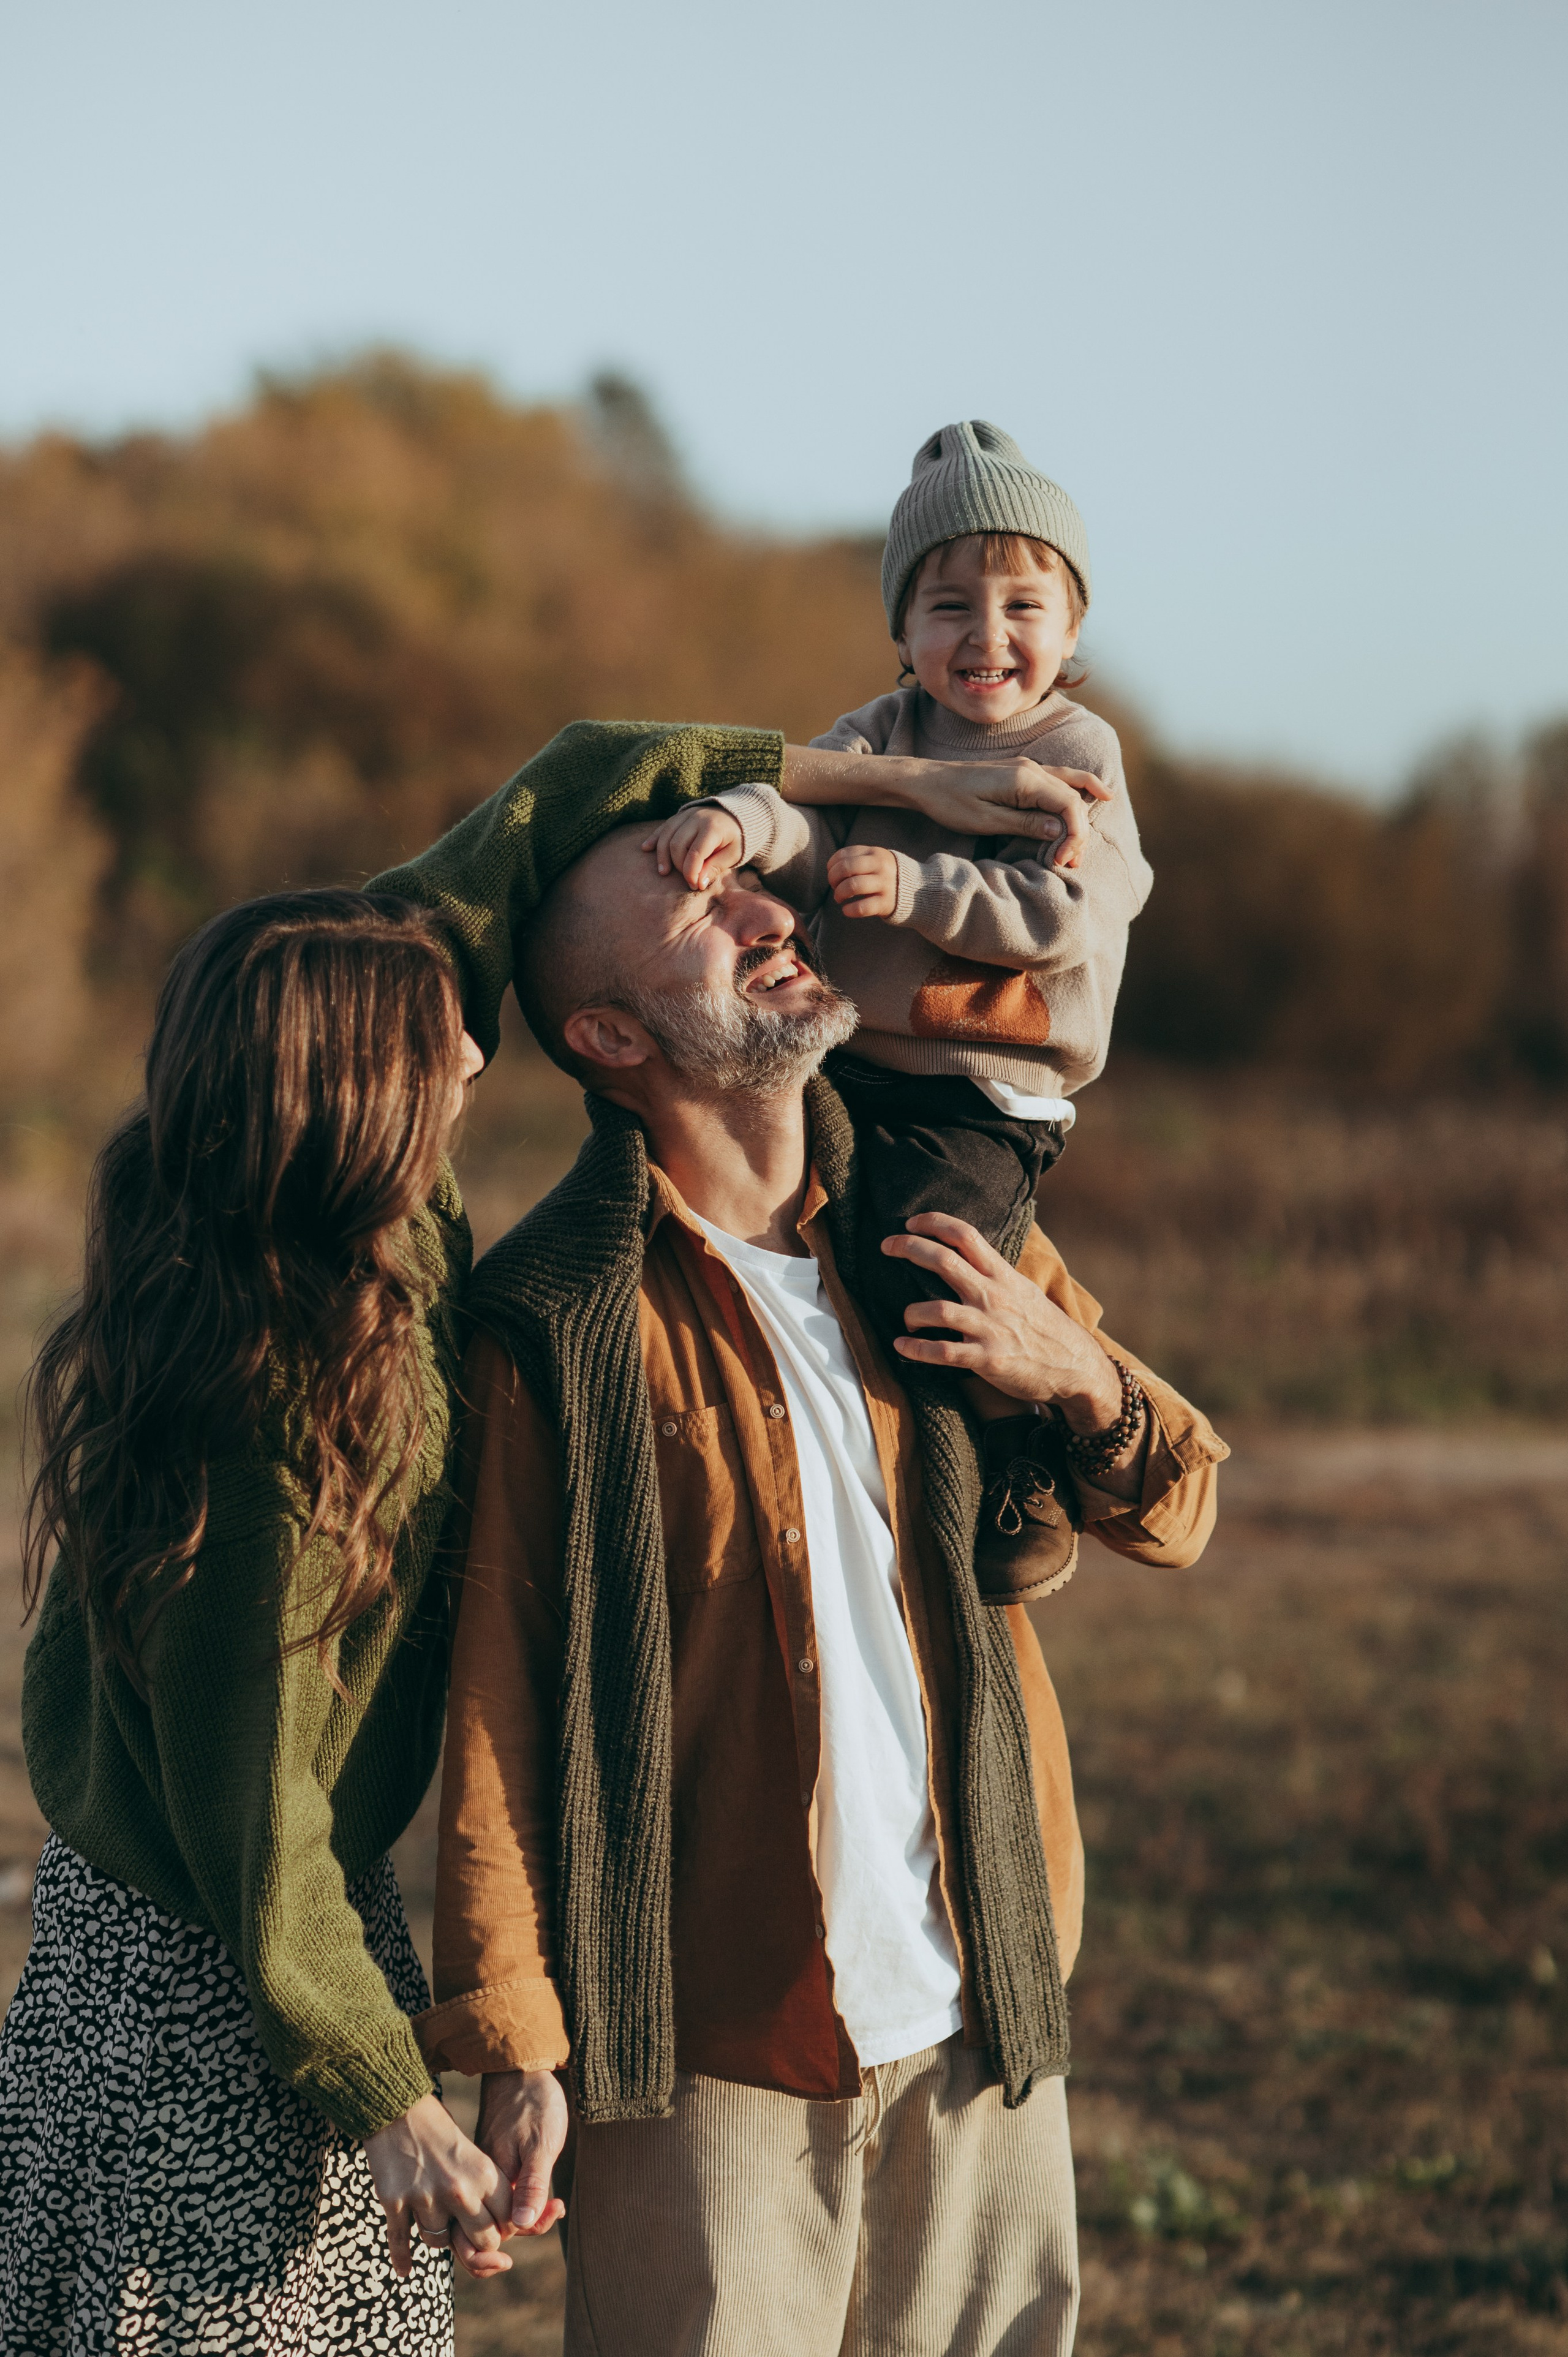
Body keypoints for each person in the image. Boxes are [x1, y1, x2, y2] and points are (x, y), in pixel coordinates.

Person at [1, 717, 1101, 2348]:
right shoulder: (285, 1401)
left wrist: (843, 783)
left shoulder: (369, 1247)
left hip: (296, 1946)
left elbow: (514, 828)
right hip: (206, 1988)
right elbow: (256, 1817)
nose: (466, 1044)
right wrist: (398, 2089)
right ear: (342, 1102)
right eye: (422, 1039)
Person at [411, 826, 1228, 2357]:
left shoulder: (938, 1230)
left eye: (744, 882)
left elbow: (1176, 1503)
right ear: (611, 1035)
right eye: (696, 909)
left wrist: (1075, 1375)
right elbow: (497, 1707)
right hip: (705, 2031)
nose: (765, 911)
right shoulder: (552, 1318)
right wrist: (514, 2037)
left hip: (984, 1997)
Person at [644, 421, 1152, 1599]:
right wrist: (740, 823)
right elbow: (805, 811)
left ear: (1072, 630)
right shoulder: (880, 734)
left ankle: (1021, 1454)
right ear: (903, 630)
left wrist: (925, 889)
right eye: (949, 606)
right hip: (845, 1061)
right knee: (788, 1224)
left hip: (983, 1083)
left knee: (931, 1262)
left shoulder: (1079, 748)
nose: (988, 637)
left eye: (1025, 607)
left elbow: (1073, 912)